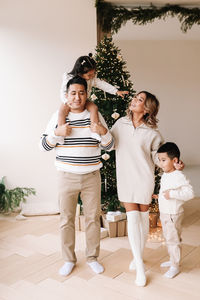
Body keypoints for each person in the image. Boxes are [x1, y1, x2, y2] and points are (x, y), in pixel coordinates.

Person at [40, 76, 114, 276]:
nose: (77, 97)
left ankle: (92, 258)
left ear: (86, 94)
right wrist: (57, 132)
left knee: (92, 219)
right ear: (66, 95)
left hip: (91, 176)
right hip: (66, 176)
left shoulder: (94, 116)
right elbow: (43, 146)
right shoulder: (57, 115)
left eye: (81, 93)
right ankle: (69, 260)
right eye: (73, 93)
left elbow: (110, 146)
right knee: (66, 219)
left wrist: (103, 131)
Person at [105, 91, 164, 287]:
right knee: (132, 217)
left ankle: (139, 256)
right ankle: (139, 265)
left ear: (147, 108)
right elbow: (110, 144)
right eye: (135, 98)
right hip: (126, 177)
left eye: (139, 99)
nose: (134, 100)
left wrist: (171, 162)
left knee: (142, 217)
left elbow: (157, 159)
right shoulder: (120, 123)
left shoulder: (153, 133)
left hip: (145, 178)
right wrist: (99, 131)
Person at [58, 54, 129, 138]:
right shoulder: (69, 78)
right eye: (89, 75)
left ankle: (94, 132)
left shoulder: (91, 80)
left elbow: (103, 84)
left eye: (93, 74)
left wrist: (116, 91)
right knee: (62, 111)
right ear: (80, 73)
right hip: (69, 101)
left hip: (84, 101)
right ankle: (61, 132)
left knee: (94, 108)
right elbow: (62, 91)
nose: (91, 77)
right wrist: (67, 102)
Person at [157, 142, 194, 279]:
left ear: (175, 160)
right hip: (166, 212)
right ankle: (173, 260)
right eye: (159, 160)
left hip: (173, 213)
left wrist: (172, 194)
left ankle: (175, 266)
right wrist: (159, 196)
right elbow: (166, 190)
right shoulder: (166, 174)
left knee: (173, 240)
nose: (161, 163)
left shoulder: (178, 175)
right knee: (170, 238)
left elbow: (189, 193)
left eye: (163, 160)